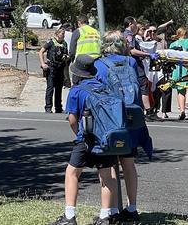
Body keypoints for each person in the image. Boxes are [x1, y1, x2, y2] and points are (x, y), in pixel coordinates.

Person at [50, 55, 119, 225]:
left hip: (85, 138)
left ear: (77, 73)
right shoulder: (105, 88)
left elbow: (72, 119)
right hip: (105, 138)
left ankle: (70, 215)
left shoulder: (76, 91)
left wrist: (78, 134)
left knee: (72, 173)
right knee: (106, 177)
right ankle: (105, 216)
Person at [94, 31, 152, 223]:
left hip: (111, 119)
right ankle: (132, 207)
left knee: (109, 165)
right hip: (131, 118)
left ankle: (110, 209)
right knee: (129, 164)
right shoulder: (131, 62)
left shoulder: (99, 64)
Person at [122, 17, 154, 119]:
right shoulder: (129, 35)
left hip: (130, 65)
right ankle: (148, 112)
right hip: (135, 65)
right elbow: (132, 51)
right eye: (135, 24)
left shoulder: (125, 35)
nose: (136, 27)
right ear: (131, 24)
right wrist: (148, 54)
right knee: (143, 87)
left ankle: (139, 111)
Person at [39, 27, 70, 113]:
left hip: (60, 68)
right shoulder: (51, 43)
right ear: (57, 34)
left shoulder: (64, 43)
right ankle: (48, 107)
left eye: (64, 34)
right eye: (62, 33)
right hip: (51, 68)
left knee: (59, 88)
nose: (63, 35)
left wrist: (66, 57)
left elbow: (66, 55)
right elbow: (41, 51)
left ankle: (58, 108)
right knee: (50, 88)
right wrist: (43, 64)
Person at [69, 15, 101, 85]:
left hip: (81, 64)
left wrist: (73, 61)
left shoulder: (78, 31)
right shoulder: (96, 32)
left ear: (79, 22)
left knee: (78, 86)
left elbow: (71, 51)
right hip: (96, 63)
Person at [62, 23, 74, 88]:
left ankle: (67, 83)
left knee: (65, 69)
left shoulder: (63, 34)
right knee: (73, 67)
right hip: (72, 52)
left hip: (65, 52)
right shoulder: (72, 34)